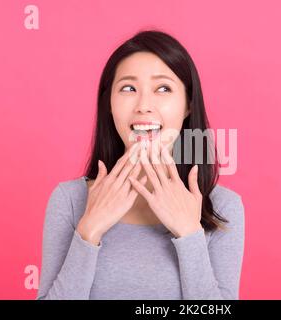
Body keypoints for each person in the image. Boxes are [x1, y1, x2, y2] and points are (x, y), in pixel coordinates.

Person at [37, 29, 245, 300]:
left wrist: (190, 234)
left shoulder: (223, 207)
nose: (144, 105)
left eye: (163, 88)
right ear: (109, 103)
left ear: (188, 106)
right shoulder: (71, 200)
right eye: (128, 88)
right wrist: (88, 231)